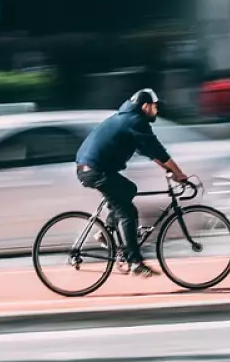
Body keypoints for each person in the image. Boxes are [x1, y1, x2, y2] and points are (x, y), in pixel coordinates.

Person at [75, 88, 190, 277]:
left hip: (93, 168)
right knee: (128, 211)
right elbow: (158, 150)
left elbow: (151, 153)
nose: (157, 111)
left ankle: (106, 232)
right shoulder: (135, 121)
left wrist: (171, 170)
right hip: (95, 170)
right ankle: (135, 262)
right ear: (145, 106)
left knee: (129, 189)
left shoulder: (128, 119)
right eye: (155, 107)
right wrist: (179, 173)